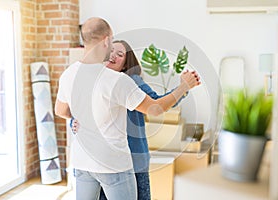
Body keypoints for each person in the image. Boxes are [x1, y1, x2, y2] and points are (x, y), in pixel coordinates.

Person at [55, 17, 200, 200]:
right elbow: (155, 108)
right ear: (107, 40)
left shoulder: (68, 74)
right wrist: (183, 87)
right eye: (112, 46)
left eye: (120, 54)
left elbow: (61, 111)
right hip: (113, 165)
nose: (114, 55)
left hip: (83, 162)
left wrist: (77, 119)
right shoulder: (116, 81)